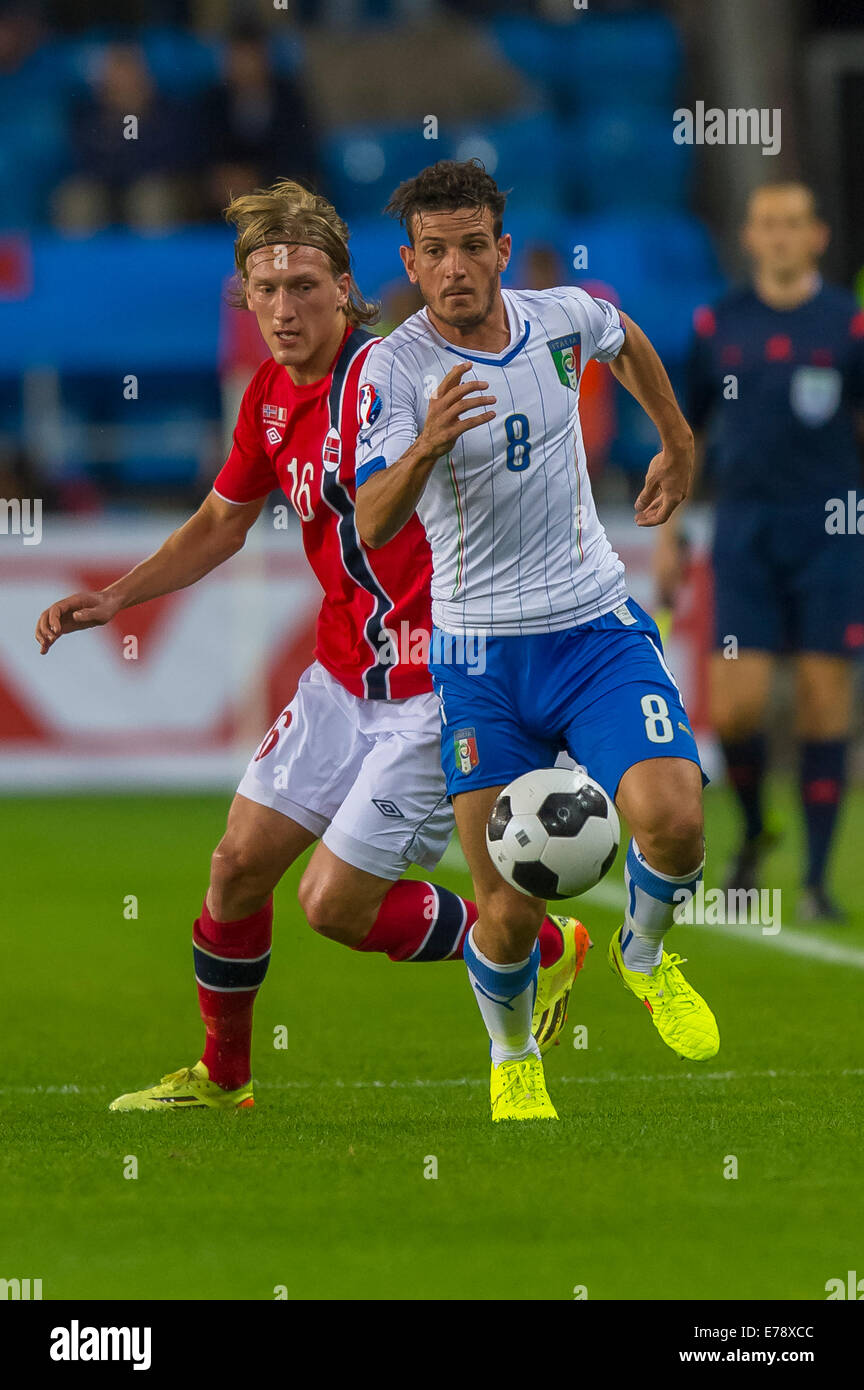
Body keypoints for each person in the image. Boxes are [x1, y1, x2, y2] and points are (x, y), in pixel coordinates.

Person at [34, 180, 587, 1112]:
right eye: (265, 289)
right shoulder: (265, 399)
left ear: (345, 290)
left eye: (304, 286)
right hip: (343, 674)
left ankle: (532, 941)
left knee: (332, 907)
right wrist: (119, 595)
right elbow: (220, 521)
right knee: (235, 867)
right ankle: (223, 1078)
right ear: (245, 297)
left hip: (433, 682)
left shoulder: (397, 379)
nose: (283, 309)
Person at [354, 159, 717, 1124]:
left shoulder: (561, 318)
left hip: (593, 627)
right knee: (508, 911)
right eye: (436, 253)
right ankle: (512, 1056)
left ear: (502, 251)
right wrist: (425, 445)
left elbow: (622, 335)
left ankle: (644, 954)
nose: (456, 268)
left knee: (674, 818)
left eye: (474, 247)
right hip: (480, 660)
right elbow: (373, 524)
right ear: (413, 262)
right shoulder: (391, 370)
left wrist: (676, 441)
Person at [657, 182, 864, 922]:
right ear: (749, 237)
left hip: (830, 534)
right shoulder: (720, 324)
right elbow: (688, 435)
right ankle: (753, 828)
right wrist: (672, 533)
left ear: (817, 236)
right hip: (742, 532)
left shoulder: (849, 324)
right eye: (766, 224)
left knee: (821, 701)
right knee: (738, 712)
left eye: (793, 224)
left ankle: (814, 882)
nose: (778, 236)